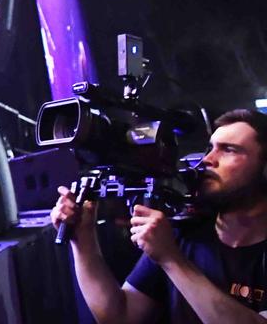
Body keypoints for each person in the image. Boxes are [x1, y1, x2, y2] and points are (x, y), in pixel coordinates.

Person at [51, 108, 267, 323]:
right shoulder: (182, 233)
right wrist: (83, 240)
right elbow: (119, 317)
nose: (208, 159)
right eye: (210, 148)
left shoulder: (170, 249)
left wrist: (172, 260)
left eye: (229, 150)